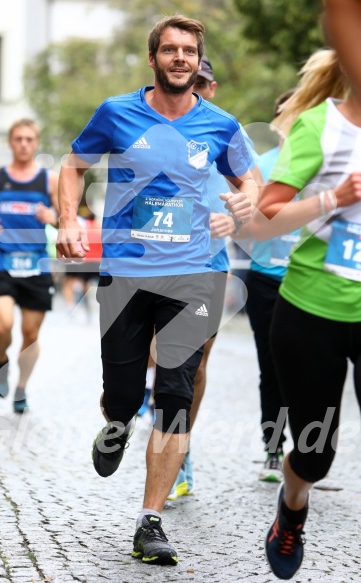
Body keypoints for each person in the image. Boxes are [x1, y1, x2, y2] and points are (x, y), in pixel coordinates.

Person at [56, 15, 256, 566]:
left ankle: (151, 520)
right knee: (123, 394)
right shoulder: (117, 113)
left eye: (188, 50)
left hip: (196, 276)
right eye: (169, 49)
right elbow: (73, 165)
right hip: (126, 275)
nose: (179, 58)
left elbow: (250, 179)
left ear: (198, 60)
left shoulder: (220, 125)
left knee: (175, 397)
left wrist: (244, 202)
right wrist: (69, 220)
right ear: (153, 59)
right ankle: (117, 422)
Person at [234, 48, 359, 580]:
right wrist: (334, 197)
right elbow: (264, 220)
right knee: (314, 457)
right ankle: (292, 503)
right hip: (312, 309)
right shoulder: (320, 126)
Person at [167, 55, 259, 500]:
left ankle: (179, 445)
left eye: (202, 81)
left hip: (207, 261)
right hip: (154, 261)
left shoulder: (225, 129)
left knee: (198, 359)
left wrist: (236, 221)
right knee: (153, 356)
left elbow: (251, 189)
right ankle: (135, 402)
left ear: (212, 86)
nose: (194, 87)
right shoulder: (155, 121)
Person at [0, 119, 59, 413]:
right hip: (0, 262)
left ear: (36, 143)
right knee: (3, 325)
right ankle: (1, 360)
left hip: (36, 265)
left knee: (31, 335)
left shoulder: (49, 180)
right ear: (11, 143)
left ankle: (21, 388)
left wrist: (54, 217)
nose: (24, 144)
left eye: (29, 139)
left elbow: (66, 216)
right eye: (19, 139)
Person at [245, 89, 298, 482]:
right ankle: (273, 448)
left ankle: (309, 450)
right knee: (272, 366)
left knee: (308, 368)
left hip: (310, 281)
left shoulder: (324, 167)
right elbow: (245, 225)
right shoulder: (259, 166)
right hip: (266, 281)